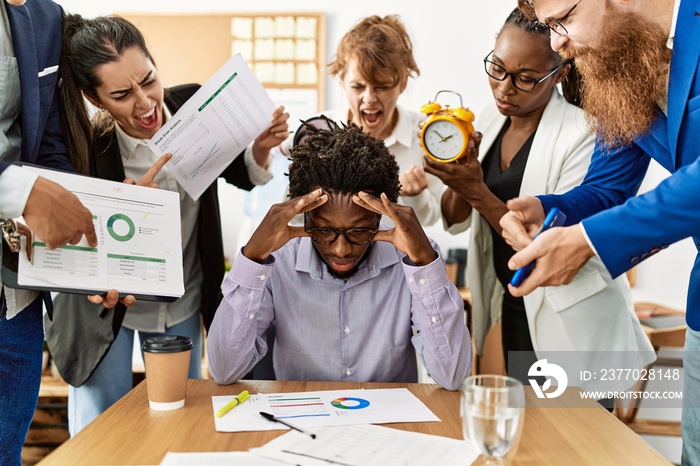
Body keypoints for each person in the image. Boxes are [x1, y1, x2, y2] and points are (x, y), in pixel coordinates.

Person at [50, 14, 290, 436]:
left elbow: (239, 173)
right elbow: (65, 240)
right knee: (102, 428)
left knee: (182, 418)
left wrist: (261, 149)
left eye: (149, 80)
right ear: (94, 98)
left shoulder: (193, 107)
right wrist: (120, 217)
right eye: (122, 94)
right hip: (106, 305)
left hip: (181, 295)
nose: (145, 103)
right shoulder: (83, 145)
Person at [500, 1, 699, 463]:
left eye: (564, 18)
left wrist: (589, 241)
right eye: (549, 27)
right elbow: (607, 189)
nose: (556, 43)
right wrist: (548, 209)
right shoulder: (617, 65)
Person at [423, 9, 653, 389]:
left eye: (525, 79)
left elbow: (547, 239)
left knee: (580, 439)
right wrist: (458, 175)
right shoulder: (489, 120)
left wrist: (477, 190)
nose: (504, 88)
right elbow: (456, 218)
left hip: (571, 313)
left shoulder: (584, 132)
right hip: (514, 305)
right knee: (528, 436)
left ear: (561, 73)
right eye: (496, 68)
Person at [207, 120, 472, 390]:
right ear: (305, 214)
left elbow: (452, 376)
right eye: (323, 230)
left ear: (380, 216)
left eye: (358, 231)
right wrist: (252, 258)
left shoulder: (414, 257)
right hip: (301, 422)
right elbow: (224, 370)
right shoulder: (280, 259)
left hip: (388, 425)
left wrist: (425, 263)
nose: (340, 249)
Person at [0, 1, 119, 463]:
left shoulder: (45, 17)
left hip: (16, 299)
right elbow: (29, 184)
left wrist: (92, 259)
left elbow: (46, 147)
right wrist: (17, 190)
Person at [280, 15, 443, 226]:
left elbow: (430, 220)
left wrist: (415, 196)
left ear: (402, 83)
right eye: (358, 87)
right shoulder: (317, 132)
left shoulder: (426, 135)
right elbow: (292, 220)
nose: (369, 98)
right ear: (342, 80)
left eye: (382, 87)